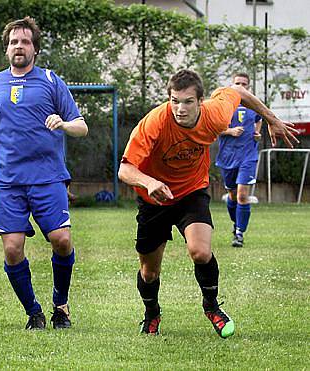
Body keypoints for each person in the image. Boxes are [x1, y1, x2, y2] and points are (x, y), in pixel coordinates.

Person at [118, 69, 298, 338]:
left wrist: (270, 119)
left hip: (191, 192)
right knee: (149, 272)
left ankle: (212, 306)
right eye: (174, 100)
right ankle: (151, 313)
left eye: (188, 101)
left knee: (200, 252)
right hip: (154, 198)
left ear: (201, 101)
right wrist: (149, 183)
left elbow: (239, 93)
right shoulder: (154, 122)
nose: (180, 108)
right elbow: (125, 170)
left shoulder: (215, 113)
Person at [0, 17, 88, 330]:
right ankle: (34, 313)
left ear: (35, 49)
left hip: (47, 176)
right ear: (7, 49)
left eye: (25, 42)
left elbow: (81, 127)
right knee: (13, 250)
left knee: (62, 239)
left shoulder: (51, 81)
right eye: (14, 42)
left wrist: (64, 124)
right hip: (6, 181)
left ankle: (61, 305)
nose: (18, 46)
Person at [215, 73, 262, 248]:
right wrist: (229, 131)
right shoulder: (224, 106)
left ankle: (240, 234)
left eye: (244, 84)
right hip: (228, 157)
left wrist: (256, 133)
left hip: (248, 156)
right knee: (233, 196)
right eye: (237, 83)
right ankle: (236, 225)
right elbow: (213, 128)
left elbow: (259, 120)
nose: (241, 86)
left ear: (248, 87)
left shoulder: (254, 105)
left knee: (243, 195)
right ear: (232, 85)